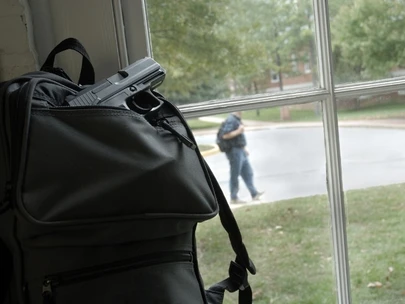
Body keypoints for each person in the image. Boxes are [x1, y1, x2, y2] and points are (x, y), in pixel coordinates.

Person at [221, 111, 264, 204]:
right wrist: (238, 131)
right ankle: (234, 197)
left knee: (248, 173)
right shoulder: (231, 120)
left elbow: (238, 138)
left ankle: (254, 193)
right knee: (235, 175)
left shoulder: (236, 119)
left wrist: (244, 148)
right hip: (234, 151)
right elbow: (225, 135)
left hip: (240, 150)